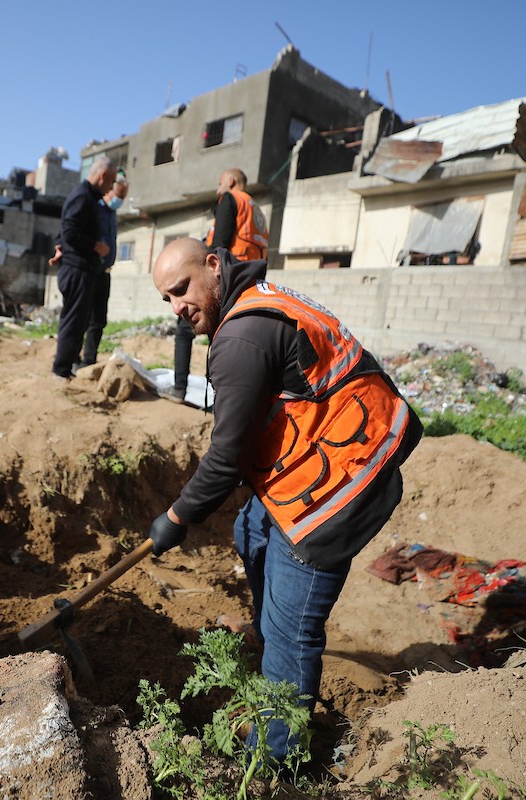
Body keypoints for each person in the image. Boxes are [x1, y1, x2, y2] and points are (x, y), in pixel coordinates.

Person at [146, 237, 423, 762]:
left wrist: (177, 517)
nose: (178, 308)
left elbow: (226, 460)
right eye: (167, 300)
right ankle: (265, 634)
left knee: (290, 628)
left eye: (181, 290)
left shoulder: (242, 337)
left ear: (213, 265)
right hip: (333, 452)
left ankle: (278, 759)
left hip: (338, 490)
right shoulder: (257, 300)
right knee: (250, 527)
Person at [164, 168, 269, 403]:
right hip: (250, 280)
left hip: (227, 278)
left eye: (219, 183)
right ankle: (227, 398)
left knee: (185, 329)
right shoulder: (256, 208)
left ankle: (179, 388)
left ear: (230, 181)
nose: (217, 189)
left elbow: (220, 244)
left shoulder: (230, 199)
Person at [51, 156, 117, 379]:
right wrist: (96, 246)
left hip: (82, 270)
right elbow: (70, 232)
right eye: (112, 181)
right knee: (73, 322)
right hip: (76, 270)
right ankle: (61, 370)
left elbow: (66, 232)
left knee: (79, 322)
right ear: (103, 176)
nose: (111, 187)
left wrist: (61, 246)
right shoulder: (82, 196)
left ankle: (67, 366)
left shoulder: (89, 197)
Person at [78, 172, 129, 369]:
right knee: (83, 318)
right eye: (119, 196)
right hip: (90, 270)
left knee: (99, 320)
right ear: (109, 192)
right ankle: (74, 358)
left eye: (123, 197)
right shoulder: (95, 210)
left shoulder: (112, 214)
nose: (120, 201)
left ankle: (89, 360)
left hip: (106, 273)